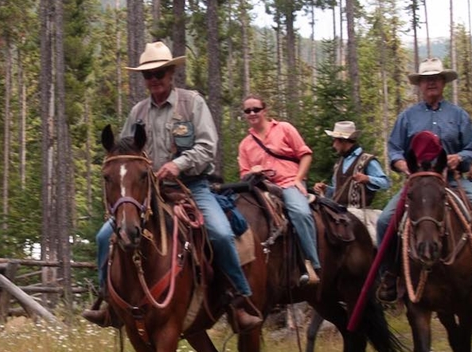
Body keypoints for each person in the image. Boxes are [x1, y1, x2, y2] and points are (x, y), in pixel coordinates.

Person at [84, 41, 262, 332]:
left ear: (171, 73)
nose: (154, 80)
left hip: (192, 186)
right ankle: (109, 303)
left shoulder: (192, 103)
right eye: (148, 75)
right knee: (106, 236)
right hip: (147, 192)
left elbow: (207, 146)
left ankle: (238, 301)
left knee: (219, 232)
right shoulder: (138, 113)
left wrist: (178, 164)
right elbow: (125, 152)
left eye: (160, 73)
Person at [374, 57, 472, 302]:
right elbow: (395, 149)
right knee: (385, 221)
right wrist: (402, 164)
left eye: (435, 79)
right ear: (419, 85)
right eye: (426, 80)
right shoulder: (407, 117)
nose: (431, 83)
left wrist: (458, 158)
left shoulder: (459, 115)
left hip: (453, 181)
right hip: (418, 183)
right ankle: (389, 274)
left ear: (443, 82)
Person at [237, 96, 321, 286]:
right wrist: (252, 171)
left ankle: (312, 263)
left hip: (287, 182)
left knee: (300, 213)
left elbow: (305, 154)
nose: (252, 113)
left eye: (256, 109)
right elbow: (243, 175)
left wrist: (299, 179)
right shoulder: (245, 144)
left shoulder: (285, 129)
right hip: (261, 187)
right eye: (247, 111)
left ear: (265, 110)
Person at [313, 119, 390, 242]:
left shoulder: (367, 160)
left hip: (360, 213)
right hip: (339, 213)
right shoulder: (339, 164)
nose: (334, 145)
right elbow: (338, 191)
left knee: (375, 242)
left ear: (343, 141)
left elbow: (385, 183)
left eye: (335, 141)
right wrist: (326, 189)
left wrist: (367, 179)